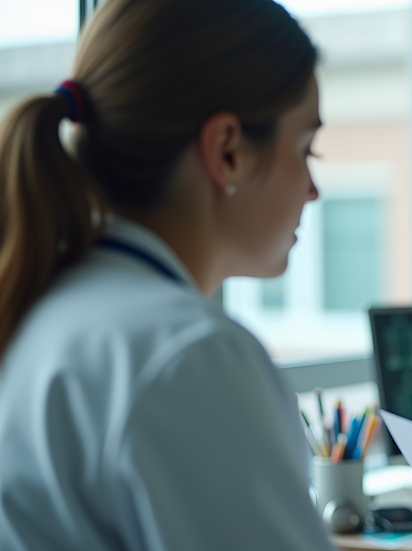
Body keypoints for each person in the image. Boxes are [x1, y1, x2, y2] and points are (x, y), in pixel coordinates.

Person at [0, 0, 337, 549]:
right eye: (306, 148)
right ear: (227, 151)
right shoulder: (190, 356)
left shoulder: (35, 308)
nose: (313, 189)